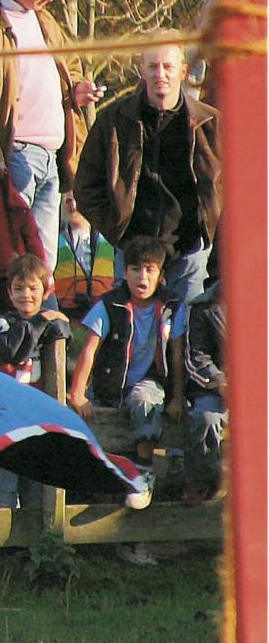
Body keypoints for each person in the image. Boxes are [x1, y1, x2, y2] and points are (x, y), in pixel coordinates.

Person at [0, 0, 106, 267]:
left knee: (45, 256)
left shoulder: (47, 23)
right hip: (16, 153)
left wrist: (77, 90)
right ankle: (17, 313)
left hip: (54, 154)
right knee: (16, 247)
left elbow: (71, 66)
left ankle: (44, 311)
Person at [73, 38, 221, 306]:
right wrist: (116, 230)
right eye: (152, 66)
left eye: (167, 66)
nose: (160, 75)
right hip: (132, 251)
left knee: (186, 338)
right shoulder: (113, 120)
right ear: (141, 69)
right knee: (128, 338)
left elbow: (232, 186)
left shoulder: (210, 124)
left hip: (188, 248)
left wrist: (207, 228)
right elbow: (86, 185)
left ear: (184, 71)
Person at [69, 236, 183, 482]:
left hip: (150, 381)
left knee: (143, 401)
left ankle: (143, 473)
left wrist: (177, 397)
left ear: (160, 274)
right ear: (125, 272)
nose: (142, 278)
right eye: (135, 270)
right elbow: (90, 350)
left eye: (149, 270)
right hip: (111, 384)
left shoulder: (172, 306)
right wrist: (77, 394)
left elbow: (176, 355)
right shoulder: (110, 305)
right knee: (76, 427)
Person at [0, 253, 69, 386]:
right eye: (18, 288)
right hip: (5, 395)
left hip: (37, 396)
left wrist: (61, 324)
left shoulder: (48, 322)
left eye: (33, 288)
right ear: (10, 293)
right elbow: (10, 353)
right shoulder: (4, 324)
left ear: (46, 292)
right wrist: (38, 322)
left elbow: (61, 352)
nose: (25, 294)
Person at [177, 277, 226, 502]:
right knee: (206, 418)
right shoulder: (203, 307)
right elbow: (197, 357)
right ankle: (201, 482)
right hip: (214, 389)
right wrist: (221, 384)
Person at [53, 192, 117, 321]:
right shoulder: (53, 238)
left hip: (104, 312)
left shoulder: (110, 237)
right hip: (66, 312)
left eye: (76, 198)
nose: (71, 204)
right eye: (67, 200)